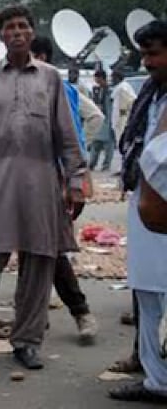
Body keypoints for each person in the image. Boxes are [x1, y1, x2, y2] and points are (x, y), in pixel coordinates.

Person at [0, 5, 86, 371]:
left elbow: (67, 137)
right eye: (10, 27)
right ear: (1, 35)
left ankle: (26, 341)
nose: (17, 32)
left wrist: (75, 182)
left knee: (38, 264)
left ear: (32, 32)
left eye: (23, 26)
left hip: (40, 186)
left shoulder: (51, 78)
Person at [108, 20, 167, 403]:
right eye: (144, 54)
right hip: (147, 206)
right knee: (146, 294)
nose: (147, 62)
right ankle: (156, 381)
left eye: (154, 53)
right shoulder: (150, 93)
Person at [28, 37, 100, 344]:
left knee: (51, 248)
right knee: (31, 247)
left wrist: (77, 173)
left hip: (57, 179)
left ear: (41, 56)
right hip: (28, 179)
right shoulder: (21, 88)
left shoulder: (60, 88)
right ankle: (35, 315)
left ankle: (79, 311)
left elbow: (89, 122)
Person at [90, 70, 116, 171]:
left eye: (97, 79)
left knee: (108, 145)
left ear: (102, 78)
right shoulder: (96, 90)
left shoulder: (110, 90)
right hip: (99, 119)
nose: (96, 81)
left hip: (108, 119)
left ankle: (106, 166)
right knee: (95, 143)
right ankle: (92, 164)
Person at [113, 70, 138, 148]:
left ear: (117, 78)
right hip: (120, 115)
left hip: (122, 116)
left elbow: (130, 101)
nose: (112, 79)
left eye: (113, 77)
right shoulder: (121, 86)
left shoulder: (123, 88)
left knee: (121, 135)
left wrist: (123, 113)